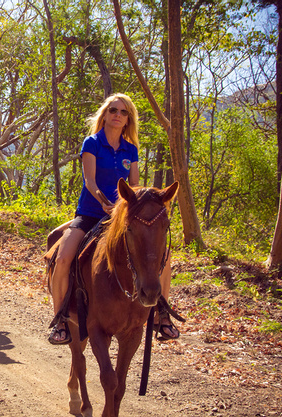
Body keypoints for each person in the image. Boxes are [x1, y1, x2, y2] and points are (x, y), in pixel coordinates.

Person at [46, 93, 181, 345]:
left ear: (128, 119)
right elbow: (90, 180)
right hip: (90, 212)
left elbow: (134, 186)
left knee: (164, 258)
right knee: (63, 257)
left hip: (122, 216)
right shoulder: (92, 143)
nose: (118, 115)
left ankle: (162, 315)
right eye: (113, 110)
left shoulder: (131, 149)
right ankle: (60, 320)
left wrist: (136, 205)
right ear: (105, 115)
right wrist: (104, 202)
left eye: (123, 112)